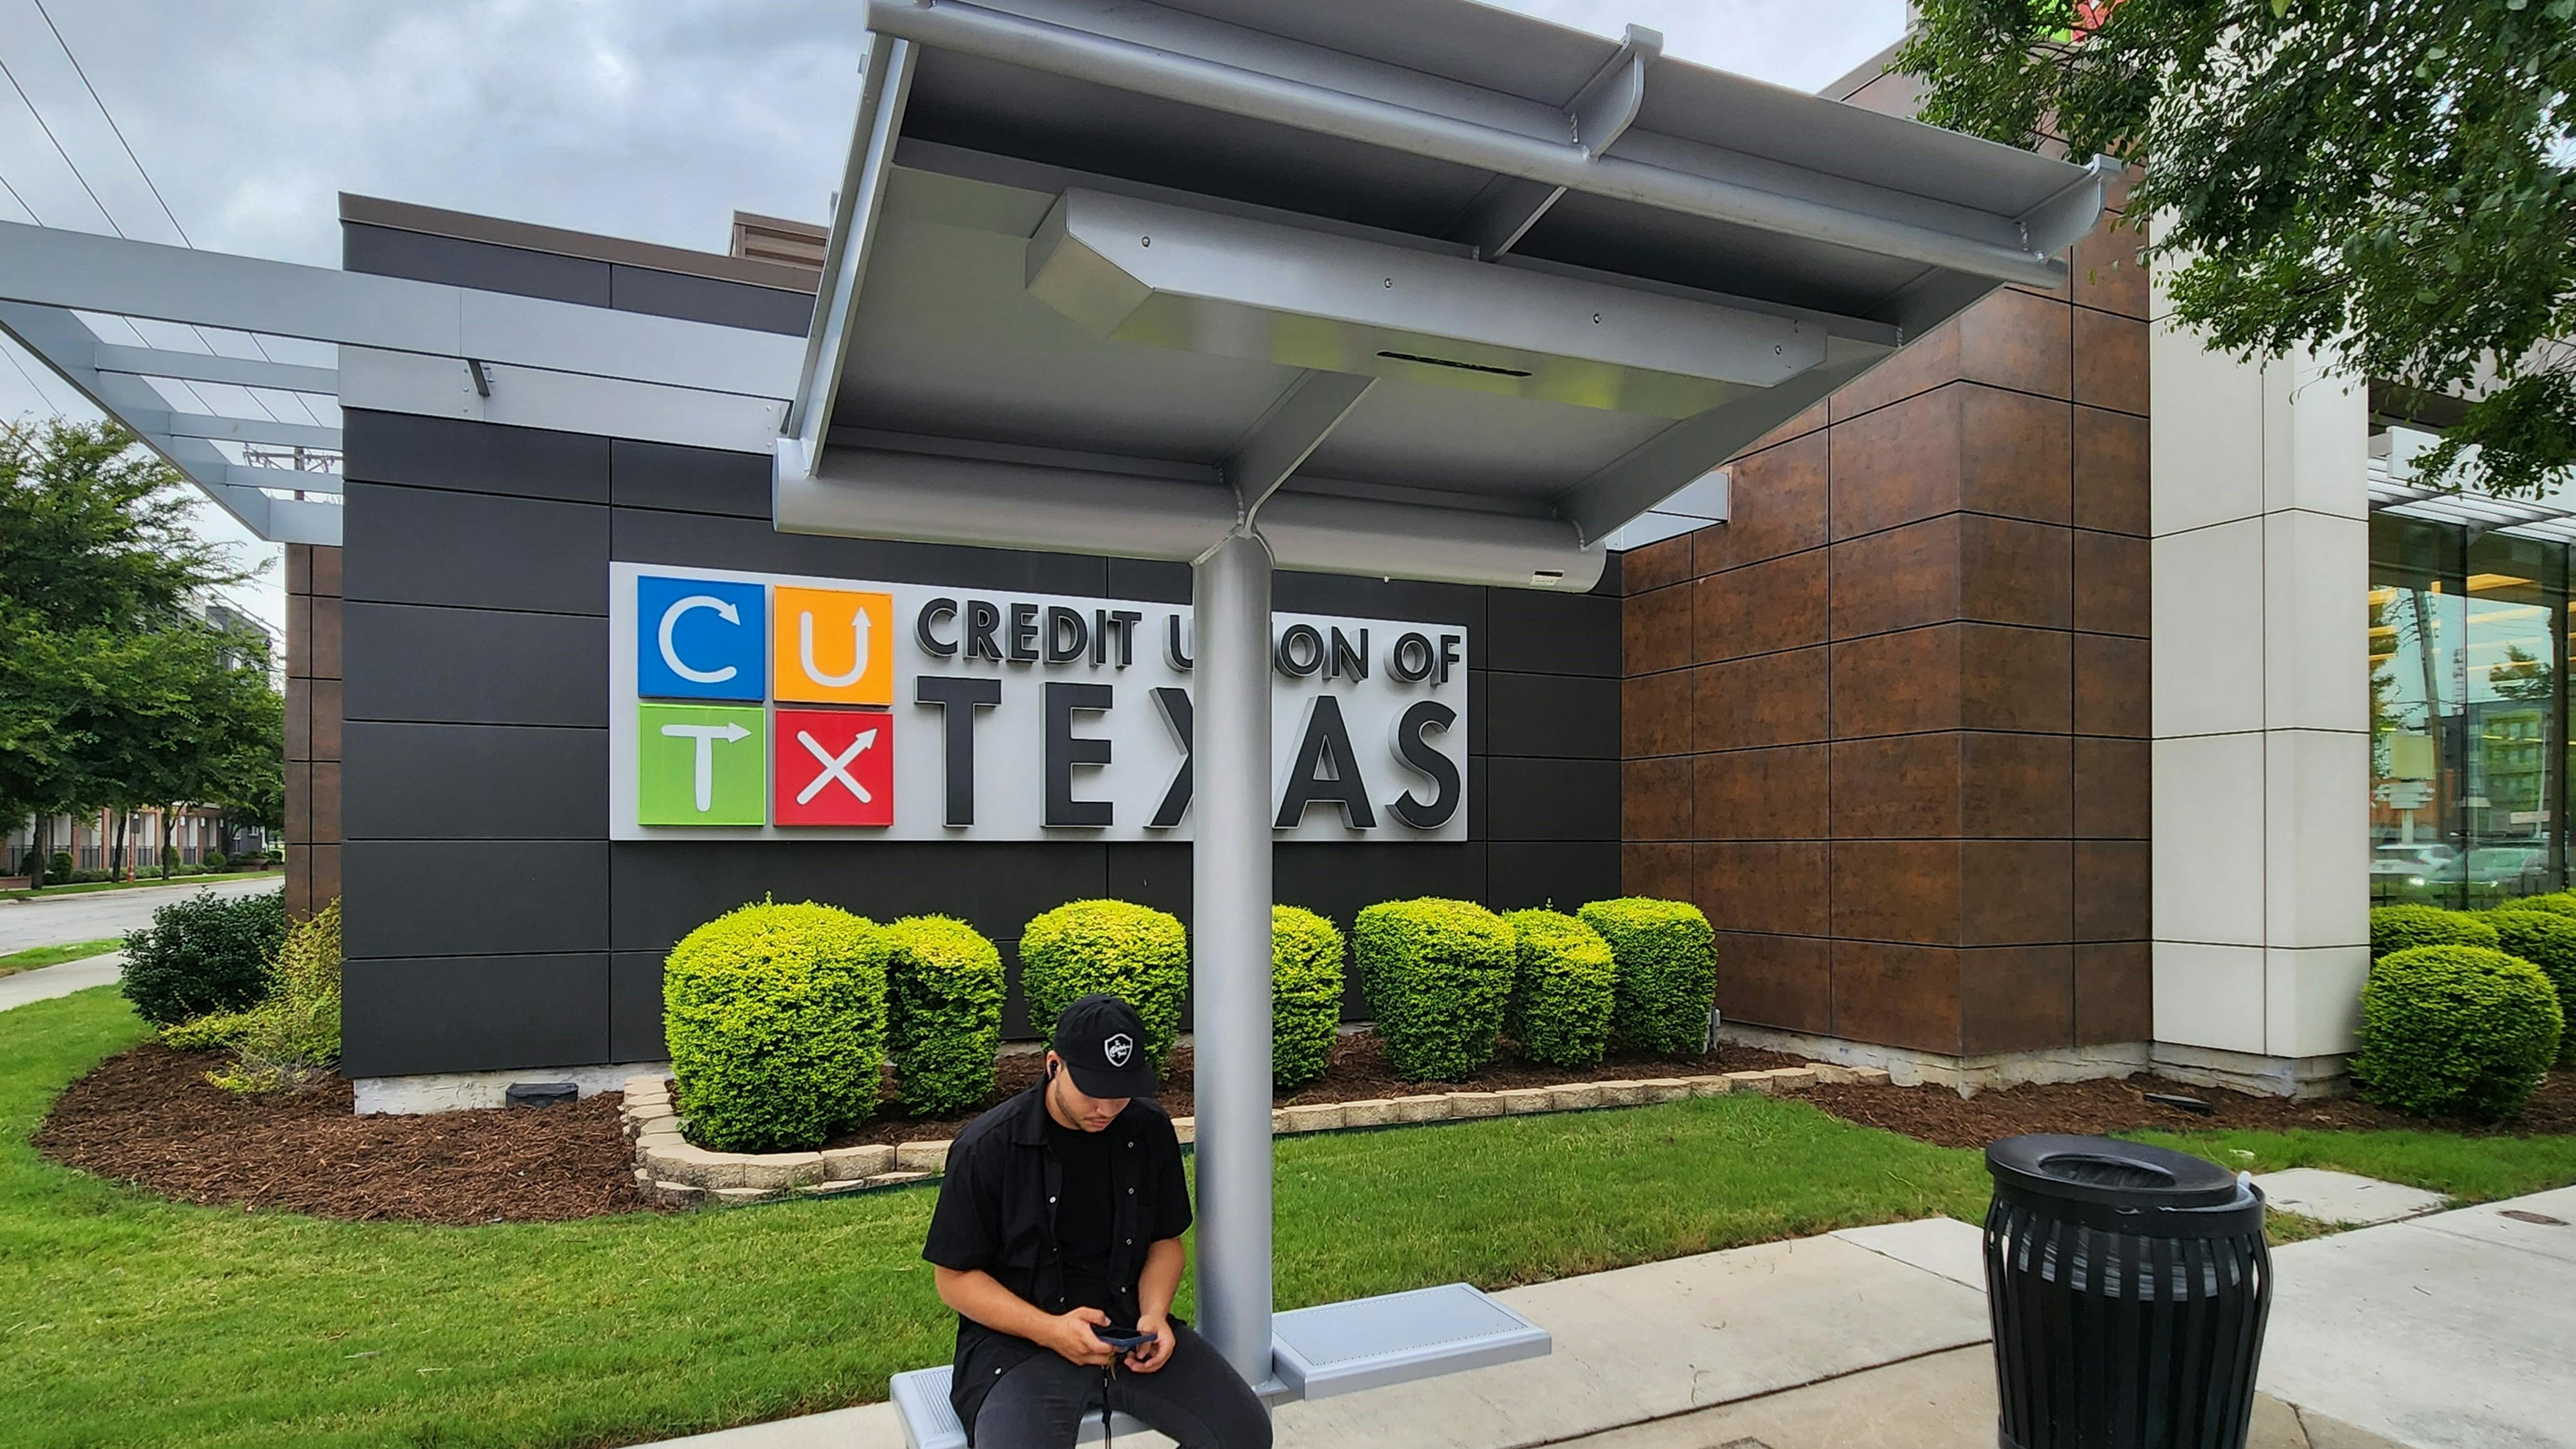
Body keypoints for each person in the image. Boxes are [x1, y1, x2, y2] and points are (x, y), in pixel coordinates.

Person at [924, 992, 1272, 1449]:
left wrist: (1154, 1317)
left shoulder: (1147, 1129)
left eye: (1121, 1093)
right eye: (1092, 1091)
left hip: (1129, 1332)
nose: (1107, 1109)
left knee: (1244, 1434)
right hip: (1020, 1345)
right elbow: (954, 1279)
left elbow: (1166, 1241)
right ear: (1054, 1065)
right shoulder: (988, 1146)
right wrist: (1051, 1331)